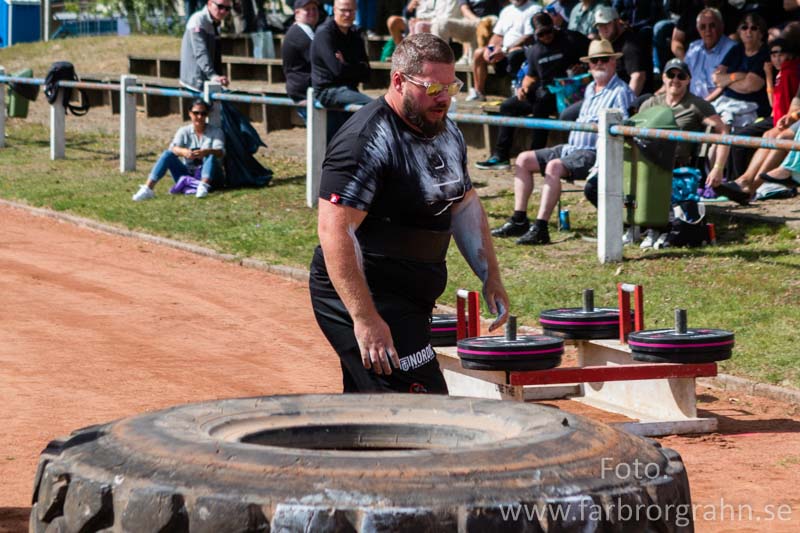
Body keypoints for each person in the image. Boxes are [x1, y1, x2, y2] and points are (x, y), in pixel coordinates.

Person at [309, 33, 510, 393]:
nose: (445, 99)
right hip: (370, 291)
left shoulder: (446, 130)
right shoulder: (365, 140)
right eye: (433, 88)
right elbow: (334, 232)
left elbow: (463, 203)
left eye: (452, 87)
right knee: (425, 406)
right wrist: (366, 318)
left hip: (413, 293)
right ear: (399, 81)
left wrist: (490, 275)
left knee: (372, 411)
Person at [491, 39, 635, 246]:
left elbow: (624, 126)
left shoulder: (620, 91)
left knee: (554, 166)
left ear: (614, 62)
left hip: (594, 153)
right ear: (589, 65)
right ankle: (519, 219)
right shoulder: (590, 89)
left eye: (604, 59)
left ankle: (541, 227)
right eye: (594, 61)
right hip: (571, 148)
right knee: (523, 159)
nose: (599, 64)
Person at [475, 12, 588, 169]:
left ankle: (536, 155)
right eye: (541, 34)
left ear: (554, 27)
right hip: (545, 90)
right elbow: (531, 76)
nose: (546, 36)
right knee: (508, 106)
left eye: (549, 31)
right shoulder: (535, 51)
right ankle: (500, 156)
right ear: (535, 34)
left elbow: (593, 55)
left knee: (540, 104)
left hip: (570, 92)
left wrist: (583, 66)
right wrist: (523, 88)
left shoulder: (571, 39)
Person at [716, 39, 800, 204]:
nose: (776, 58)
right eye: (773, 54)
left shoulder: (791, 70)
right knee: (765, 134)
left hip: (786, 119)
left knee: (776, 136)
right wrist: (791, 116)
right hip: (784, 117)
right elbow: (785, 103)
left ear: (789, 55)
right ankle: (745, 182)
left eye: (780, 54)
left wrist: (792, 117)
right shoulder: (782, 72)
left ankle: (749, 185)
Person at [132, 99, 225, 201]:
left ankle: (203, 186)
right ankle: (147, 189)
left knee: (211, 156)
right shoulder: (183, 131)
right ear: (190, 114)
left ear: (207, 115)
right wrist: (184, 152)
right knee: (167, 154)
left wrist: (206, 152)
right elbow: (173, 148)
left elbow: (220, 152)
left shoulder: (216, 132)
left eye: (203, 114)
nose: (199, 117)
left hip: (212, 177)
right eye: (196, 113)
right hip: (189, 172)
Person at [311, 0, 372, 136]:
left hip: (349, 89)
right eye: (343, 10)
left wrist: (345, 65)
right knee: (373, 107)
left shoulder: (355, 34)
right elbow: (337, 71)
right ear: (334, 10)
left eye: (351, 10)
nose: (347, 14)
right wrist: (355, 67)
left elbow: (367, 74)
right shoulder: (325, 33)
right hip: (328, 91)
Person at [465, 0, 542, 101]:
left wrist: (504, 50)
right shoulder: (506, 10)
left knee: (515, 51)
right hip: (503, 50)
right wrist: (490, 48)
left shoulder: (535, 9)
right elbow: (498, 35)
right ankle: (479, 92)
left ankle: (519, 90)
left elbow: (528, 37)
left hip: (523, 50)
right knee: (479, 53)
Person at [710, 12, 770, 127]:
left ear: (761, 33)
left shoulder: (765, 53)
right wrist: (737, 76)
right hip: (727, 102)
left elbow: (750, 85)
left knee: (724, 124)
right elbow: (716, 78)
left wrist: (726, 81)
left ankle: (720, 145)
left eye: (753, 28)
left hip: (751, 107)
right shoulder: (737, 49)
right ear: (739, 31)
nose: (748, 31)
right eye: (744, 27)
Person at [594, 5, 653, 98]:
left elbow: (638, 77)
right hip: (608, 96)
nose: (603, 29)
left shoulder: (630, 44)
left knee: (569, 113)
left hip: (629, 101)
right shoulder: (608, 43)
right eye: (600, 26)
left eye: (607, 24)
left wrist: (626, 105)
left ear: (617, 22)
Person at [180, 0, 232, 92]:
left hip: (208, 77)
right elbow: (200, 52)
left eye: (227, 8)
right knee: (199, 105)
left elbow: (216, 55)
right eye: (220, 7)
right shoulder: (198, 20)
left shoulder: (215, 23)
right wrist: (213, 75)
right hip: (195, 79)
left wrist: (218, 76)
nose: (223, 11)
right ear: (209, 4)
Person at [684, 7, 736, 100]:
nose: (707, 31)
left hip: (719, 104)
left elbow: (725, 85)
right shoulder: (693, 48)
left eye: (712, 25)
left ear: (721, 26)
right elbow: (683, 77)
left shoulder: (732, 49)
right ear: (698, 29)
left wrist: (703, 104)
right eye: (703, 27)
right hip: (692, 102)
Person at [282, 0, 321, 111]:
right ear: (297, 13)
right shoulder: (298, 33)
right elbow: (320, 60)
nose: (312, 12)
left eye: (314, 9)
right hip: (304, 94)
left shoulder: (307, 31)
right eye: (307, 9)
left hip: (307, 90)